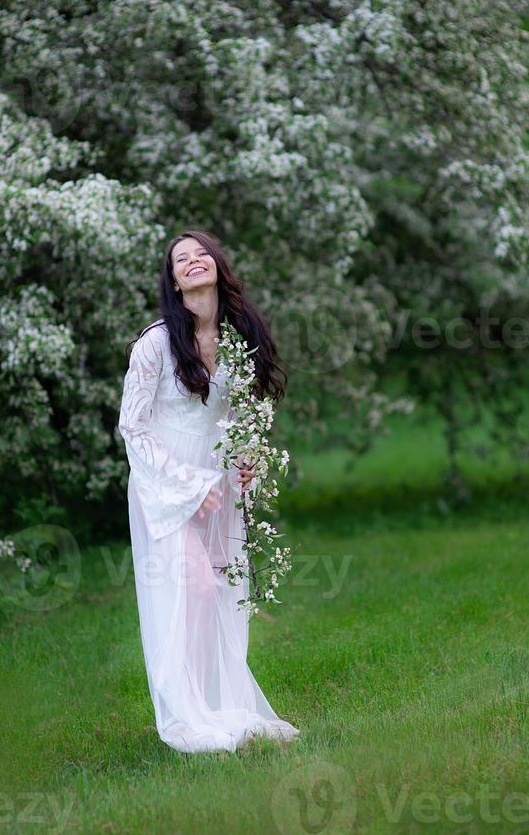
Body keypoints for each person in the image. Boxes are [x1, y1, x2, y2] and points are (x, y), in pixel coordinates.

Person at [118, 228, 300, 754]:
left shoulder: (239, 338)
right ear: (174, 282)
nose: (194, 262)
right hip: (166, 481)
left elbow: (243, 418)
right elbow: (134, 426)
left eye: (202, 254)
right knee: (190, 589)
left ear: (218, 267)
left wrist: (249, 463)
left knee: (221, 595)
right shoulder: (156, 342)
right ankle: (185, 714)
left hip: (219, 484)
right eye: (182, 259)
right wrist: (188, 484)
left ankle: (217, 703)